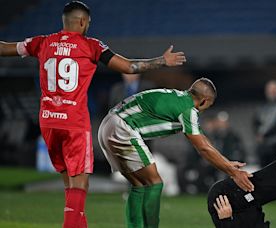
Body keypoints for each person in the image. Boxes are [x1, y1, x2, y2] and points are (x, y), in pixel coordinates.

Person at [0, 1, 186, 227]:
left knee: (72, 186)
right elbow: (129, 67)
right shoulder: (91, 46)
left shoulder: (41, 42)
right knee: (79, 186)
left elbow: (5, 48)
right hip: (74, 123)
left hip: (48, 121)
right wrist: (161, 61)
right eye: (88, 22)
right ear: (82, 21)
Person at [98, 78, 254, 227]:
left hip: (108, 125)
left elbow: (203, 141)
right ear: (204, 101)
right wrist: (232, 171)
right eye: (209, 105)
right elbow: (203, 148)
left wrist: (226, 163)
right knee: (154, 182)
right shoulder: (189, 110)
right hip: (122, 129)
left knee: (139, 185)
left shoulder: (178, 98)